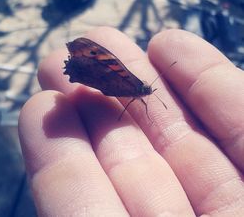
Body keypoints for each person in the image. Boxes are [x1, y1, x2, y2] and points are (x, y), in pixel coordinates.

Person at [18, 27, 244, 216]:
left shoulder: (137, 90)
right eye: (147, 90)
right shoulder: (134, 86)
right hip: (91, 73)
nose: (148, 92)